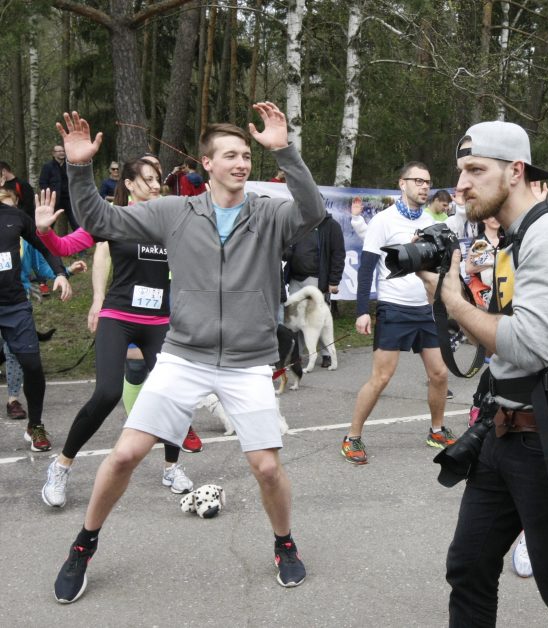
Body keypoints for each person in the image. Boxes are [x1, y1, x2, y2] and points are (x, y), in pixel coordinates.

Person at [51, 102, 325, 603]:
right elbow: (98, 218)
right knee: (125, 455)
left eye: (246, 155)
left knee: (266, 467)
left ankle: (284, 543)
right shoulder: (175, 212)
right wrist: (78, 166)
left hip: (247, 362)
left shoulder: (268, 213)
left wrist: (283, 150)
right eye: (230, 155)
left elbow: (313, 211)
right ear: (207, 164)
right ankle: (82, 546)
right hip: (184, 355)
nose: (241, 163)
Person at [420, 120, 548, 626]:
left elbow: (530, 345)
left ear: (515, 172)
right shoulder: (519, 237)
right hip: (505, 429)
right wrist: (450, 295)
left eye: (475, 170)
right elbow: (503, 338)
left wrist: (451, 303)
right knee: (469, 567)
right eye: (460, 171)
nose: (462, 184)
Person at [37, 159, 201, 509]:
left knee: (174, 394)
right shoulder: (114, 219)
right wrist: (44, 232)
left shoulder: (172, 220)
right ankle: (62, 464)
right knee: (108, 392)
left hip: (159, 321)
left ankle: (172, 467)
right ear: (128, 183)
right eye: (147, 180)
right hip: (119, 315)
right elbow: (65, 247)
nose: (156, 185)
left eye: (158, 179)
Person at [342, 161, 454, 465]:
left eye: (427, 182)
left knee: (440, 373)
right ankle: (352, 437)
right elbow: (366, 268)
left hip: (426, 309)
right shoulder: (383, 220)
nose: (423, 186)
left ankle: (437, 430)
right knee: (381, 377)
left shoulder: (434, 220)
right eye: (417, 180)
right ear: (401, 184)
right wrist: (362, 310)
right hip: (394, 307)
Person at [0, 185, 72, 451]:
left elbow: (44, 245)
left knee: (32, 366)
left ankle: (36, 425)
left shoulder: (14, 216)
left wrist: (60, 273)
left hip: (14, 305)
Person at [283, 212, 345, 368]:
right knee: (296, 320)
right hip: (295, 279)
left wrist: (333, 281)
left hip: (318, 279)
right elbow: (288, 250)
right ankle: (297, 356)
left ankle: (327, 355)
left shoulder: (331, 226)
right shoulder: (298, 223)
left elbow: (338, 254)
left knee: (320, 320)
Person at [39, 144, 78, 230]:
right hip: (54, 199)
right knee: (49, 224)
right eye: (59, 151)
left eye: (63, 151)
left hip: (69, 198)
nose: (62, 153)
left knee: (75, 222)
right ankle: (44, 242)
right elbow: (42, 183)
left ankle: (81, 241)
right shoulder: (48, 166)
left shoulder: (70, 166)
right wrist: (49, 195)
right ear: (53, 154)